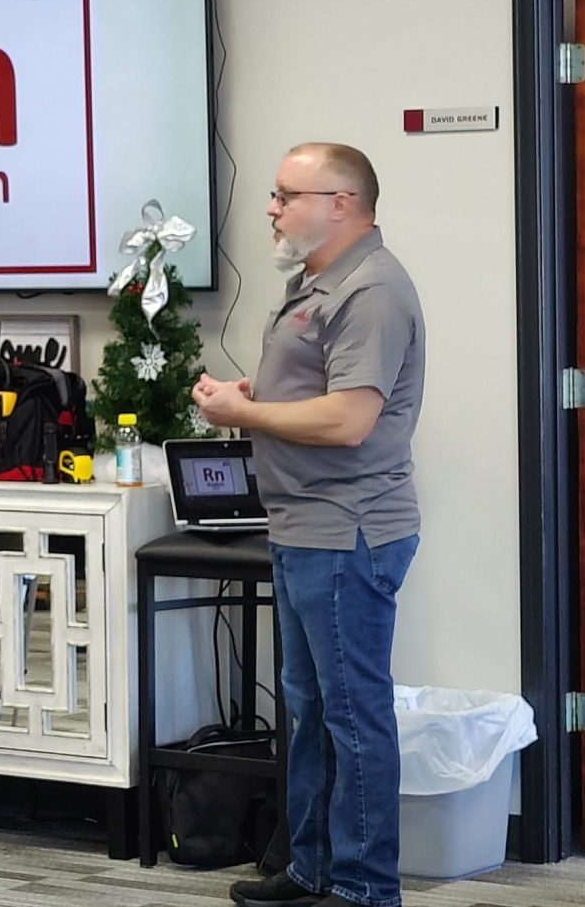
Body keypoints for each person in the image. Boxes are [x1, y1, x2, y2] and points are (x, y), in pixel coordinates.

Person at [191, 143, 424, 907]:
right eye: (274, 193)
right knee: (312, 707)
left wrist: (243, 412)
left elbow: (352, 417)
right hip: (302, 526)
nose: (271, 206)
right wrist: (253, 389)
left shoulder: (373, 288)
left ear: (342, 204)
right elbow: (315, 380)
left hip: (345, 530)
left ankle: (364, 889)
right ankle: (311, 868)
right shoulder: (317, 281)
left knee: (354, 712)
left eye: (287, 194)